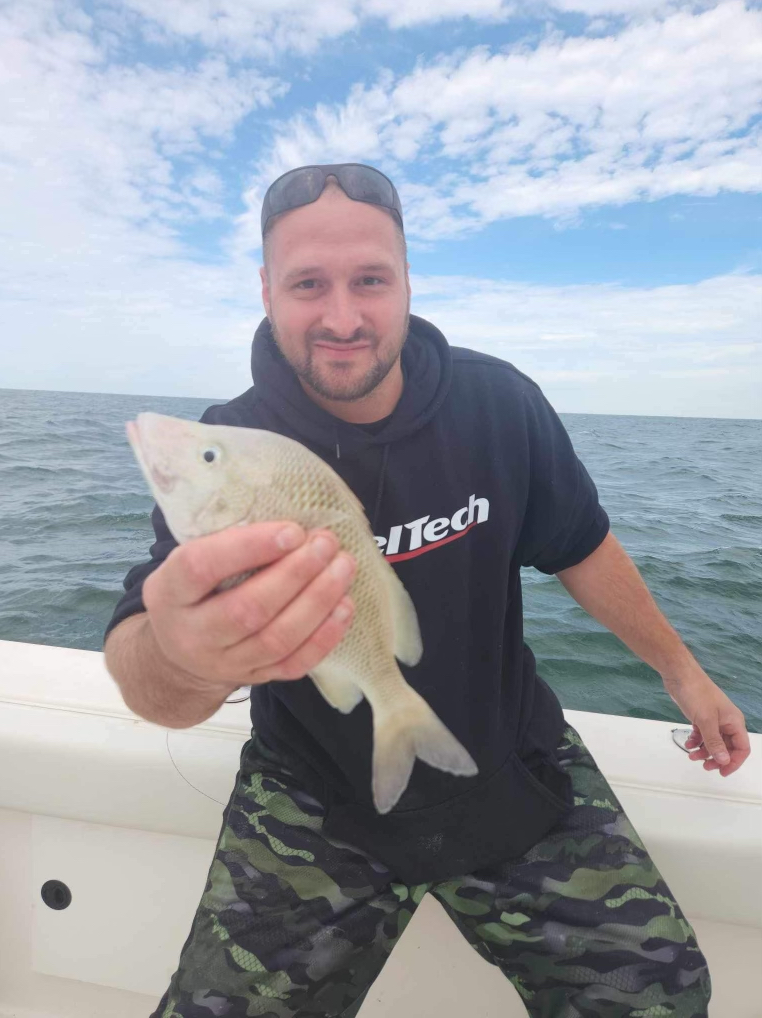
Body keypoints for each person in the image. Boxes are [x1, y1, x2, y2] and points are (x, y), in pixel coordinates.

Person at [104, 163, 750, 1018]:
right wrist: (183, 654)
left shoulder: (498, 404)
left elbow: (581, 546)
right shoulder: (230, 451)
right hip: (310, 788)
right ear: (266, 289)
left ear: (408, 281)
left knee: (662, 995)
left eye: (370, 279)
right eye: (307, 284)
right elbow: (151, 670)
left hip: (512, 754)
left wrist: (685, 674)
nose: (342, 316)